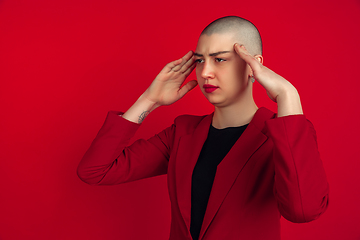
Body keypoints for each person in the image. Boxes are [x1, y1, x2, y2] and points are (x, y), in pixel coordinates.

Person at [77, 16, 329, 240]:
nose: (205, 72)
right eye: (200, 61)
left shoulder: (284, 135)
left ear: (254, 64)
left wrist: (288, 94)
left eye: (220, 59)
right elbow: (95, 171)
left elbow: (302, 210)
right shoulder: (183, 132)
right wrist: (149, 100)